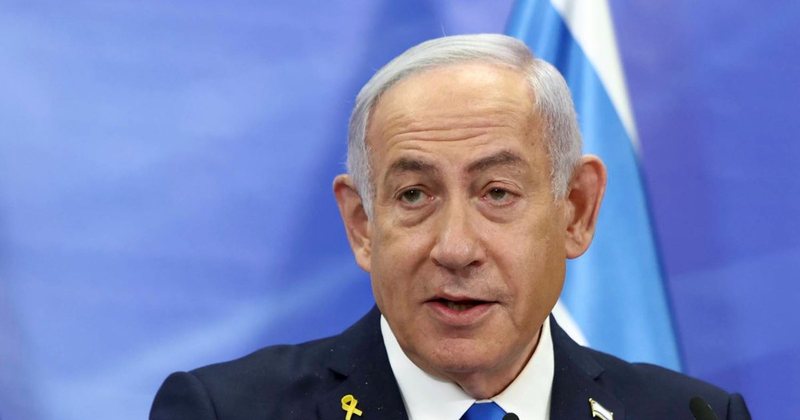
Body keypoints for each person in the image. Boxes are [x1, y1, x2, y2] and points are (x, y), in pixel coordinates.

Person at [150, 34, 750, 420]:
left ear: (576, 210)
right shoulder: (224, 412)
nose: (456, 248)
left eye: (497, 193)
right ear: (362, 224)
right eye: (414, 194)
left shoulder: (692, 415)